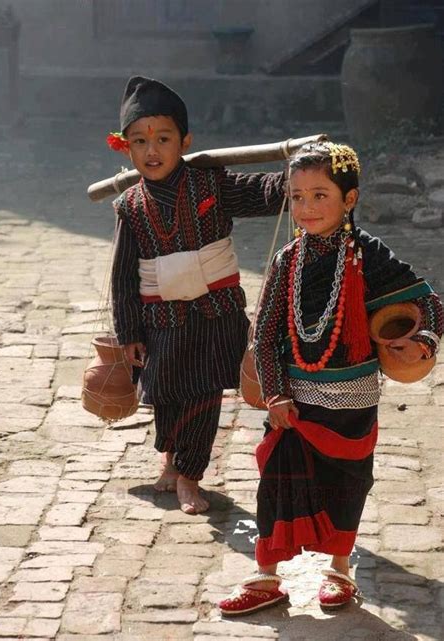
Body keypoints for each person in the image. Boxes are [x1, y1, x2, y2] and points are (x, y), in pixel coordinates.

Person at [219, 141, 443, 614]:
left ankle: (339, 570)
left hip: (353, 401)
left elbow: (432, 304)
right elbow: (269, 334)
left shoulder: (369, 256)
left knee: (347, 483)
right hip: (294, 402)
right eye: (297, 196)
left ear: (350, 199)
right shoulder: (287, 261)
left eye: (320, 195)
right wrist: (276, 393)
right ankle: (266, 576)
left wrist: (423, 338)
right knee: (277, 482)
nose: (307, 207)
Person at [109, 76, 286, 515]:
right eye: (140, 142)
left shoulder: (211, 184)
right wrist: (128, 331)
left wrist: (296, 180)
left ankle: (190, 475)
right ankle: (170, 460)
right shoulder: (129, 206)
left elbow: (262, 192)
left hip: (214, 314)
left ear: (184, 141)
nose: (152, 151)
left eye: (163, 139)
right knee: (165, 392)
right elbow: (122, 276)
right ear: (124, 148)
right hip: (160, 318)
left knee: (202, 394)